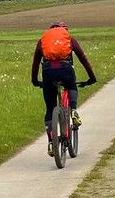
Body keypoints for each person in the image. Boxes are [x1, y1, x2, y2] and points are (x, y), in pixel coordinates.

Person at [32, 21, 96, 155]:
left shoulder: (43, 41)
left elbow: (36, 63)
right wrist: (91, 77)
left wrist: (35, 81)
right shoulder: (69, 39)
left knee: (50, 108)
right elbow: (83, 59)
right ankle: (73, 111)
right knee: (71, 85)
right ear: (64, 30)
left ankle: (51, 142)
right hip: (66, 70)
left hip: (48, 72)